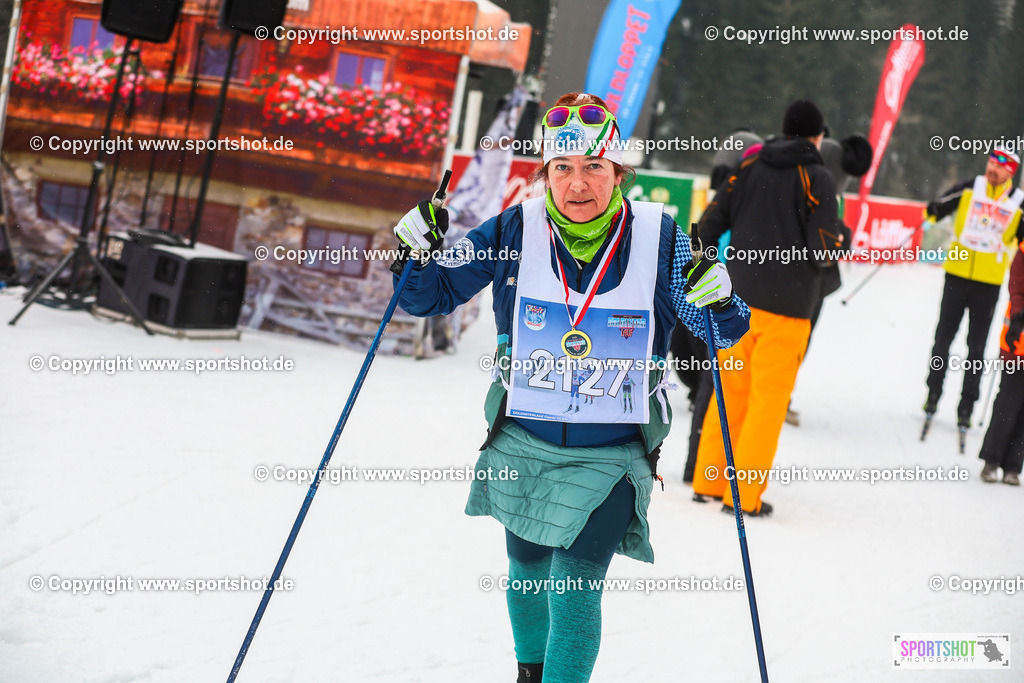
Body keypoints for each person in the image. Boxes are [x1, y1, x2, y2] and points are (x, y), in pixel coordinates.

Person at [392, 92, 750, 683]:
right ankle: (529, 673)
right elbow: (429, 296)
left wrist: (722, 295)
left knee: (575, 587)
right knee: (526, 571)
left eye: (593, 167)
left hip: (612, 453)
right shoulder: (514, 228)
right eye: (563, 168)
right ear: (545, 173)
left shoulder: (661, 237)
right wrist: (411, 252)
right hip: (523, 442)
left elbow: (718, 331)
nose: (577, 184)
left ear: (617, 173)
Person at [691, 99, 847, 517]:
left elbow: (708, 224)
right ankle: (743, 497)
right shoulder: (819, 177)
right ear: (817, 136)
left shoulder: (749, 165)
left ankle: (708, 479)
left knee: (731, 392)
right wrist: (839, 239)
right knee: (766, 405)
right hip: (788, 310)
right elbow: (823, 248)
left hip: (737, 302)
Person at [923, 148, 1023, 430]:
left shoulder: (1018, 202)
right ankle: (933, 394)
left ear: (1010, 173)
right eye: (991, 163)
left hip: (988, 284)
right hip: (956, 274)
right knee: (943, 339)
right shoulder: (971, 187)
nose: (993, 169)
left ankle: (967, 406)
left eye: (999, 167)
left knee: (976, 349)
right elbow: (938, 208)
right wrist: (931, 211)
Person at [978, 241, 1024, 485]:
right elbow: (1016, 286)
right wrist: (1018, 315)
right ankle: (992, 460)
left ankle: (1013, 466)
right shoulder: (1023, 251)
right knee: (1008, 401)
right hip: (1018, 341)